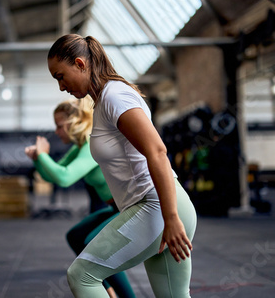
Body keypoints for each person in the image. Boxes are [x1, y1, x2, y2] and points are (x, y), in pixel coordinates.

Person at [47, 34, 197, 298]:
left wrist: (170, 218)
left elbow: (158, 152)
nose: (61, 86)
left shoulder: (114, 96)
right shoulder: (104, 100)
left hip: (158, 208)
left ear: (81, 64)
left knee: (82, 276)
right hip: (159, 208)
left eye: (61, 76)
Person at [25, 98, 135, 298]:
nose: (57, 132)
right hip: (115, 208)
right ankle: (108, 290)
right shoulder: (80, 146)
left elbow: (65, 178)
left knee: (97, 244)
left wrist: (42, 155)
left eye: (60, 127)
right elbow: (54, 175)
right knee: (76, 236)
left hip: (131, 207)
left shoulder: (92, 142)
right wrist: (38, 159)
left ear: (74, 123)